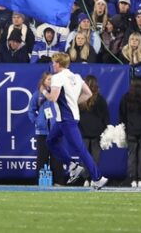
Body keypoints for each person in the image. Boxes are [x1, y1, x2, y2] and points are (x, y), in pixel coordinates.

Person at [43, 52, 107, 189]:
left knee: (80, 150)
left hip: (66, 119)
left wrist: (43, 91)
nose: (53, 65)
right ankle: (72, 165)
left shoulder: (57, 77)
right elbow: (88, 94)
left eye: (54, 62)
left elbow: (53, 98)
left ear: (59, 64)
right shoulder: (76, 77)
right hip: (65, 118)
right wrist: (74, 103)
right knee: (50, 141)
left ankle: (98, 178)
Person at [28, 71, 63, 185]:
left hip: (55, 132)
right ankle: (40, 182)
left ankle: (58, 182)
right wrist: (37, 121)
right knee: (41, 158)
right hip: (42, 132)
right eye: (48, 79)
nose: (51, 81)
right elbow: (31, 110)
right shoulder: (37, 94)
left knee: (56, 158)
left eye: (52, 80)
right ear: (43, 81)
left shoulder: (58, 93)